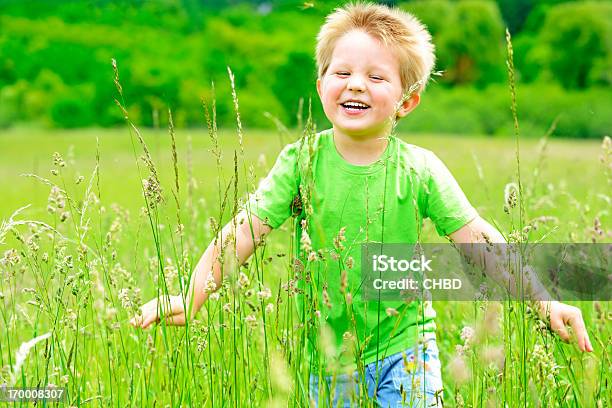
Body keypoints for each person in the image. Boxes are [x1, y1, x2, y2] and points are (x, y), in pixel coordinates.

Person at [132, 3, 593, 407]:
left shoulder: (420, 169)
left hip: (408, 348)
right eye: (343, 72)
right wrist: (190, 297)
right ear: (320, 85)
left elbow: (480, 242)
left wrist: (543, 300)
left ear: (406, 102)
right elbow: (242, 233)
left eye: (376, 76)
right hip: (329, 357)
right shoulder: (300, 162)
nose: (356, 85)